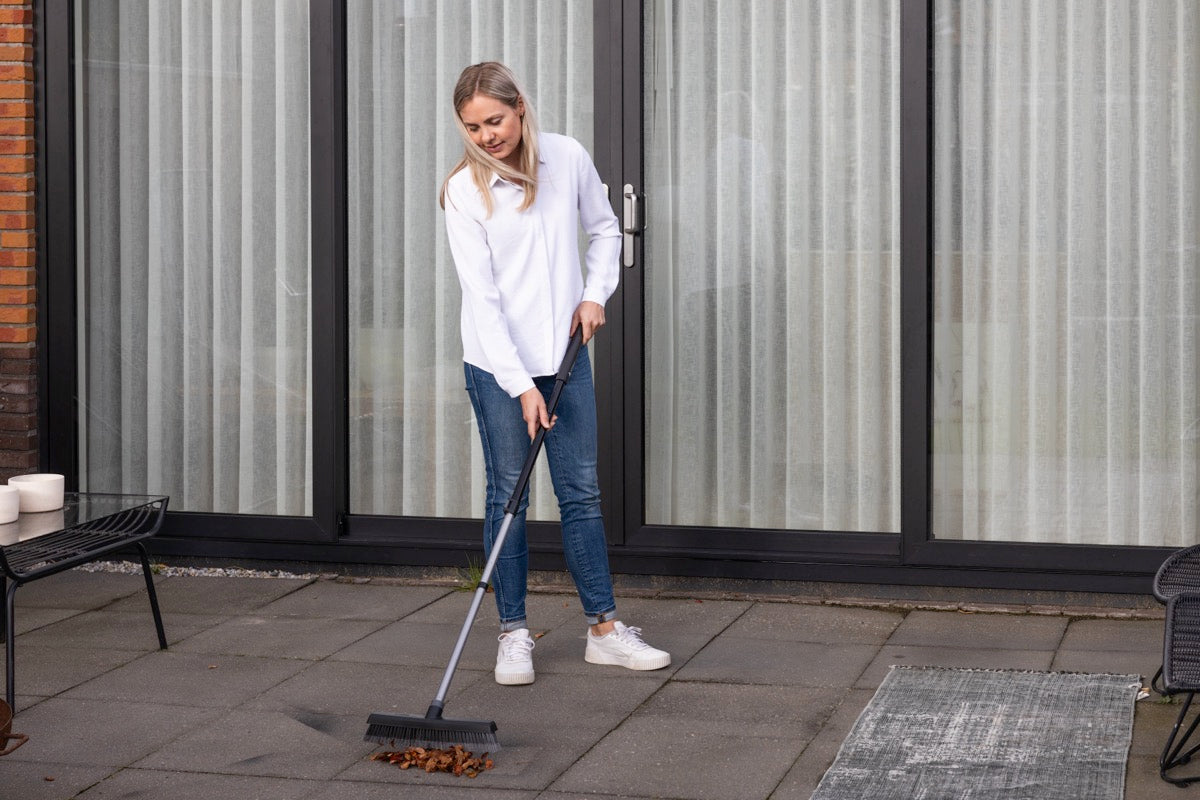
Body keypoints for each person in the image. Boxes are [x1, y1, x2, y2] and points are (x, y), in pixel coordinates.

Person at [439, 62, 670, 685]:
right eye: (473, 126)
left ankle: (603, 630)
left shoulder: (564, 157)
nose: (487, 135)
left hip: (565, 356)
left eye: (496, 120)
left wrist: (596, 294)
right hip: (498, 366)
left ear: (520, 108)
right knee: (508, 496)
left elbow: (603, 230)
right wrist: (519, 387)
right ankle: (514, 633)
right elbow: (481, 301)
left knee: (581, 492)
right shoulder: (464, 189)